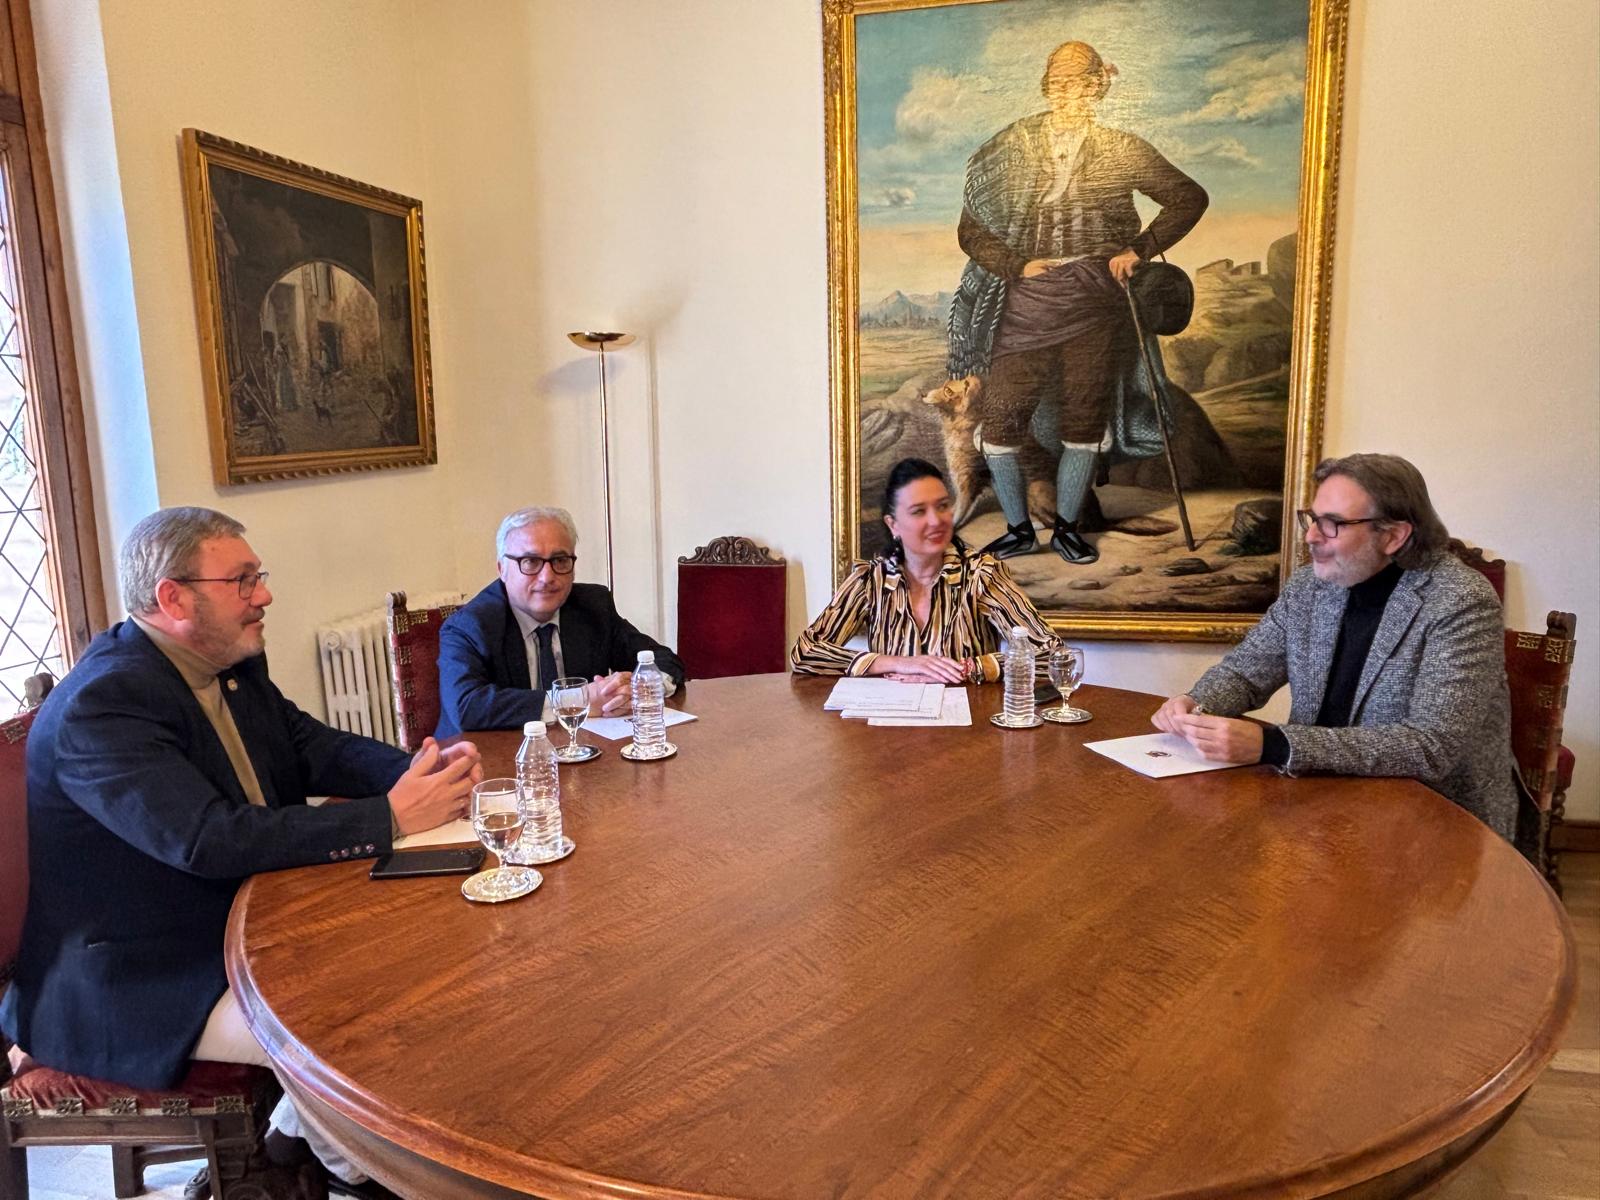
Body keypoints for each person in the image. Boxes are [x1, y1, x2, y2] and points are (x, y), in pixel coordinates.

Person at [0, 507, 481, 1196]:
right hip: (138, 977)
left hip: (237, 923)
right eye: (244, 579)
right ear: (173, 598)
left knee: (414, 956)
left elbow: (310, 745)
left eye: (260, 576)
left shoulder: (225, 659)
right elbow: (207, 838)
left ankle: (299, 1135)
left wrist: (421, 768)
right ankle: (365, 1174)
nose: (265, 594)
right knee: (357, 1027)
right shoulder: (102, 706)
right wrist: (392, 817)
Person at [1151, 454, 1519, 842]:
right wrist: (1194, 702)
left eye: (1333, 525)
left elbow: (1431, 746)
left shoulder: (1460, 600)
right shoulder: (1310, 586)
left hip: (1432, 822)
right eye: (1312, 519)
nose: (1311, 536)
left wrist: (1272, 745)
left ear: (1394, 535)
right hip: (1317, 796)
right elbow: (1245, 672)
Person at [948, 40, 1208, 565]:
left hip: (1096, 299)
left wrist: (1138, 249)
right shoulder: (1011, 147)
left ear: (1099, 87)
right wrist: (1017, 266)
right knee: (1000, 423)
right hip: (1025, 301)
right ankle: (1019, 529)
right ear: (1048, 86)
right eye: (1060, 82)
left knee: (1085, 419)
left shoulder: (1123, 148)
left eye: (1082, 82)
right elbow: (971, 229)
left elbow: (1189, 197)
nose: (1071, 92)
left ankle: (1068, 529)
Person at [792, 458, 1057, 682]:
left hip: (971, 736)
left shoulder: (981, 574)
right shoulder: (869, 581)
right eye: (919, 511)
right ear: (893, 524)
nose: (936, 520)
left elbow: (1051, 654)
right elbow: (805, 652)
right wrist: (897, 663)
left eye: (942, 506)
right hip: (885, 733)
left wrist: (966, 669)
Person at [435, 506, 686, 738]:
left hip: (582, 761)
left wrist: (637, 690)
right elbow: (466, 706)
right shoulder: (470, 625)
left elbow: (662, 660)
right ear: (502, 569)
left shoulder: (592, 606)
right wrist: (578, 699)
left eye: (560, 561)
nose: (547, 577)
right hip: (488, 766)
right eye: (530, 562)